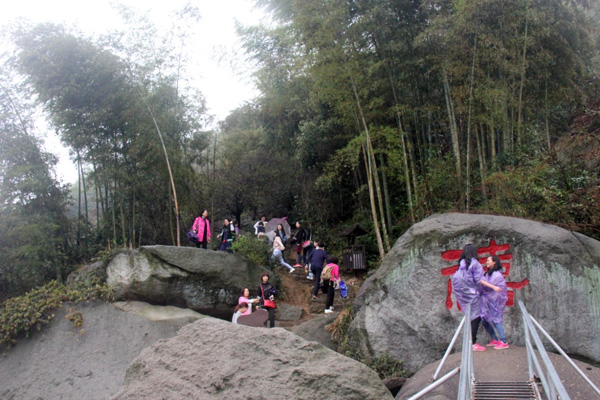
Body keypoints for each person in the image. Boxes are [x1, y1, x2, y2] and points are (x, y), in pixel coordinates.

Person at [452, 244, 501, 351]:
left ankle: (470, 341)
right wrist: (493, 287)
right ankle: (472, 343)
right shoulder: (475, 264)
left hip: (461, 293)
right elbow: (479, 280)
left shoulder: (462, 264)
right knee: (476, 316)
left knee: (470, 315)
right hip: (472, 293)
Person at [481, 255, 509, 350]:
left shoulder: (496, 275)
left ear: (494, 262)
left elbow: (489, 286)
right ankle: (494, 339)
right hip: (488, 300)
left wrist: (480, 281)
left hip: (495, 300)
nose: (487, 262)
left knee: (496, 319)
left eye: (488, 260)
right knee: (484, 319)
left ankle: (503, 341)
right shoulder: (488, 273)